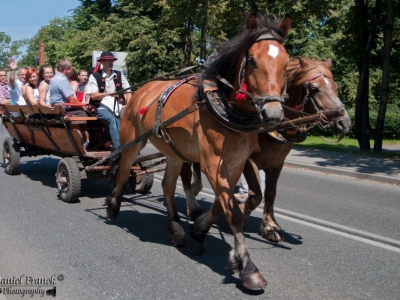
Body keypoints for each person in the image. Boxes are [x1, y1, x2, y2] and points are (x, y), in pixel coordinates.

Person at [86, 51, 131, 150]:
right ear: (102, 62)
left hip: (119, 106)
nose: (111, 63)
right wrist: (108, 93)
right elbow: (93, 96)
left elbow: (128, 91)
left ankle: (132, 145)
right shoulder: (94, 76)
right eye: (108, 61)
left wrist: (128, 105)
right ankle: (119, 148)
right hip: (100, 107)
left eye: (112, 61)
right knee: (112, 120)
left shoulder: (119, 74)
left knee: (130, 117)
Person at [49, 58, 90, 146]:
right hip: (65, 110)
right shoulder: (63, 80)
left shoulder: (54, 79)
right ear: (66, 69)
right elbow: (71, 99)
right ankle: (83, 140)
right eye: (71, 68)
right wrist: (82, 106)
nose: (72, 71)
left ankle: (83, 139)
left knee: (82, 112)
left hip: (58, 110)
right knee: (86, 113)